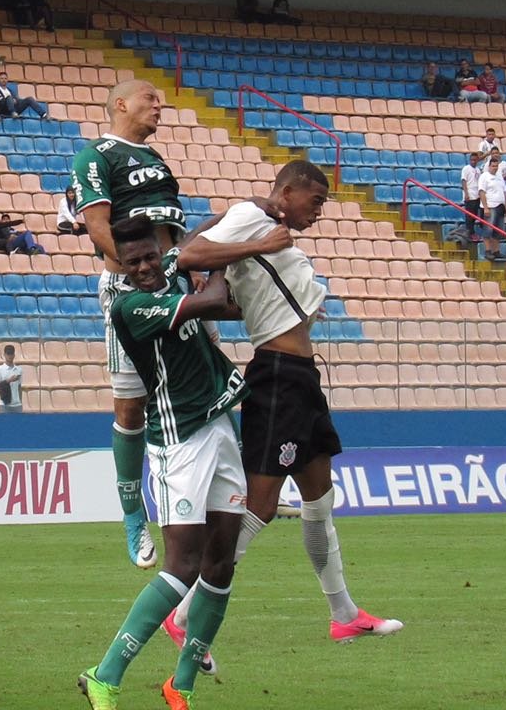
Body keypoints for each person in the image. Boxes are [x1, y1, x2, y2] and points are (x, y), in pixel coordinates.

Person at [176, 162, 402, 666]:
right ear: (288, 190)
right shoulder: (252, 220)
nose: (318, 212)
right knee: (257, 508)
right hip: (276, 377)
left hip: (301, 378)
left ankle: (344, 614)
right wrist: (259, 246)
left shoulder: (266, 230)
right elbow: (190, 253)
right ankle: (185, 613)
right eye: (315, 201)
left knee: (321, 500)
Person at [77, 216, 249, 710]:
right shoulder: (130, 305)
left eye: (152, 256)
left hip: (219, 428)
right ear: (123, 270)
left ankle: (182, 686)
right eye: (134, 263)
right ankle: (105, 675)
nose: (147, 267)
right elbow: (216, 299)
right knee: (182, 565)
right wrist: (214, 262)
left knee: (220, 565)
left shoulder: (170, 267)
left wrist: (240, 213)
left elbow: (198, 236)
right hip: (179, 442)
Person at [70, 79, 185, 570]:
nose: (160, 106)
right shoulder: (96, 155)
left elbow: (172, 229)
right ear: (121, 104)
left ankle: (231, 489)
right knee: (131, 405)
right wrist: (141, 273)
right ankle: (134, 514)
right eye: (150, 98)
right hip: (130, 289)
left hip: (175, 284)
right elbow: (98, 227)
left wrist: (187, 274)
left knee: (206, 384)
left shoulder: (158, 161)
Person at [478, 157, 506, 261]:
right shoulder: (484, 176)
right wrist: (485, 207)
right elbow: (482, 192)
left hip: (500, 206)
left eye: (496, 166)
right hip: (490, 206)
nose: (495, 168)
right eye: (493, 166)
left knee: (498, 230)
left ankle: (496, 251)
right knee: (488, 230)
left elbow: (504, 192)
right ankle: (487, 250)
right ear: (489, 166)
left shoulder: (499, 177)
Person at [0, 344, 24, 413]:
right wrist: (8, 381)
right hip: (4, 404)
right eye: (8, 353)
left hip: (17, 405)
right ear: (4, 354)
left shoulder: (19, 370)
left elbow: (19, 387)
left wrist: (20, 402)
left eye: (11, 353)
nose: (10, 356)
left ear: (14, 355)